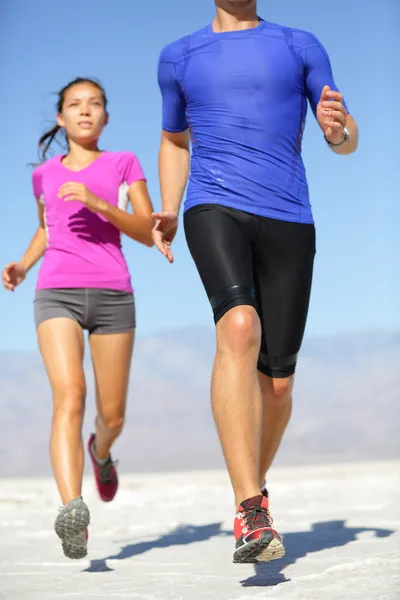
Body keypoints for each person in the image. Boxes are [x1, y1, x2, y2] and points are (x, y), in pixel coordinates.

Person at [153, 0, 359, 564]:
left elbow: (344, 135)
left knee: (277, 387)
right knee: (239, 326)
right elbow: (175, 140)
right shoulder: (179, 56)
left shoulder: (300, 43)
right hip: (213, 204)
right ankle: (249, 507)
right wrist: (170, 207)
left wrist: (338, 131)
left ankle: (253, 492)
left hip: (289, 215)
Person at [2, 77, 154, 560]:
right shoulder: (43, 175)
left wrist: (100, 204)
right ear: (61, 118)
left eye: (95, 105)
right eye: (75, 105)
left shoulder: (123, 163)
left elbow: (147, 233)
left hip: (113, 295)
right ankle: (72, 508)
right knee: (70, 394)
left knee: (112, 415)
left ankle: (101, 452)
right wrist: (23, 265)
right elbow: (47, 228)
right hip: (56, 292)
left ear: (106, 117)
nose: (85, 111)